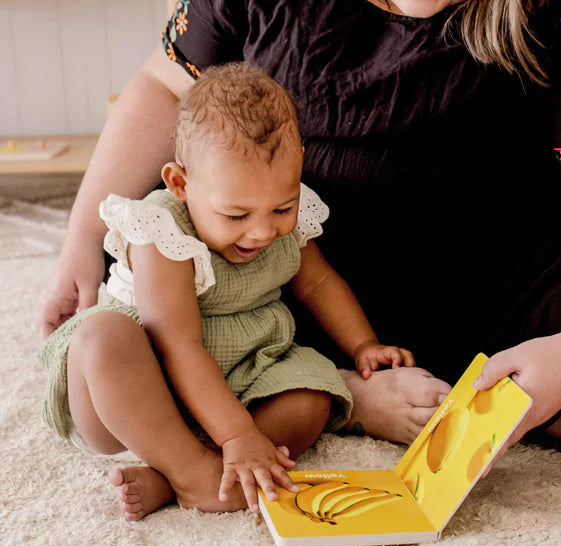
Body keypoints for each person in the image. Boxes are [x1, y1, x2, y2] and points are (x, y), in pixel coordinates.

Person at [40, 0, 561, 475]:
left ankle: (510, 396)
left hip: (499, 292)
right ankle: (339, 394)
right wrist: (84, 235)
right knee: (137, 354)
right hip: (281, 307)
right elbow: (166, 85)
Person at [38, 62, 434, 520]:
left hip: (240, 373)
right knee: (102, 336)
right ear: (181, 184)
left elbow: (319, 282)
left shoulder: (281, 213)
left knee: (311, 398)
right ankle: (189, 470)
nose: (263, 231)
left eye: (282, 208)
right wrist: (237, 435)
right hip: (136, 394)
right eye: (236, 215)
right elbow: (178, 345)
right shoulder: (161, 231)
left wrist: (363, 344)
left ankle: (181, 478)